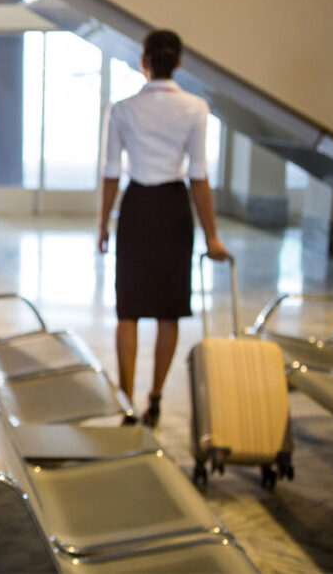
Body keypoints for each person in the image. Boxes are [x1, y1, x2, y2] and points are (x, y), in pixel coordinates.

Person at [97, 29, 228, 427]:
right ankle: (154, 397)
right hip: (174, 209)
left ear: (144, 60)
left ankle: (126, 401)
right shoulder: (196, 108)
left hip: (136, 207)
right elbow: (199, 177)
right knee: (169, 310)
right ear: (179, 62)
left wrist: (103, 225)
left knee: (129, 309)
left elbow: (111, 174)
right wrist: (212, 235)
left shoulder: (122, 109)